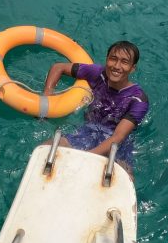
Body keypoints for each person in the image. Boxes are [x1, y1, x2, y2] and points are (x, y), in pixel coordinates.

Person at [43, 40, 148, 173]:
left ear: (133, 68)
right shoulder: (99, 74)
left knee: (123, 179)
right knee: (46, 149)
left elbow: (118, 137)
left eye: (124, 62)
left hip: (118, 147)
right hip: (88, 132)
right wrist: (48, 96)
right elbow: (58, 67)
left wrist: (86, 156)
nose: (116, 66)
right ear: (107, 59)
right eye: (113, 59)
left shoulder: (138, 99)